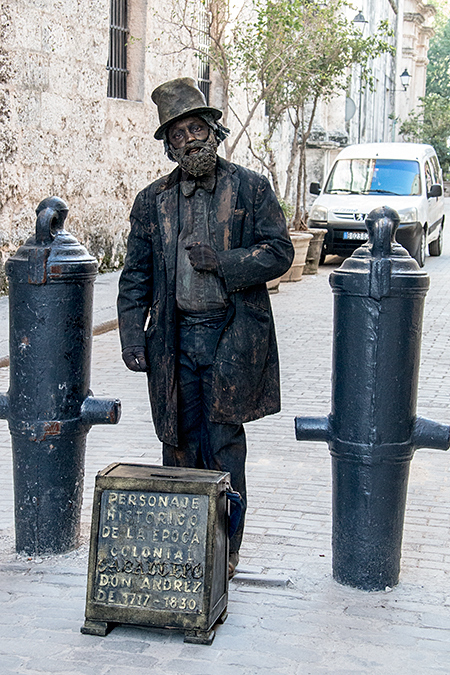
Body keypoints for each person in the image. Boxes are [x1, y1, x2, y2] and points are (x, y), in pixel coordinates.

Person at [117, 77, 294, 577]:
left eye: (197, 127)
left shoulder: (250, 188)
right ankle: (186, 545)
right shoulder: (153, 201)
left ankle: (226, 549)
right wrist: (133, 337)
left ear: (214, 131)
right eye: (178, 134)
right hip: (174, 340)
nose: (190, 139)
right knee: (178, 441)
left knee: (223, 444)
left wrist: (225, 261)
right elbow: (135, 274)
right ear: (169, 147)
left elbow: (279, 251)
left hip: (231, 336)